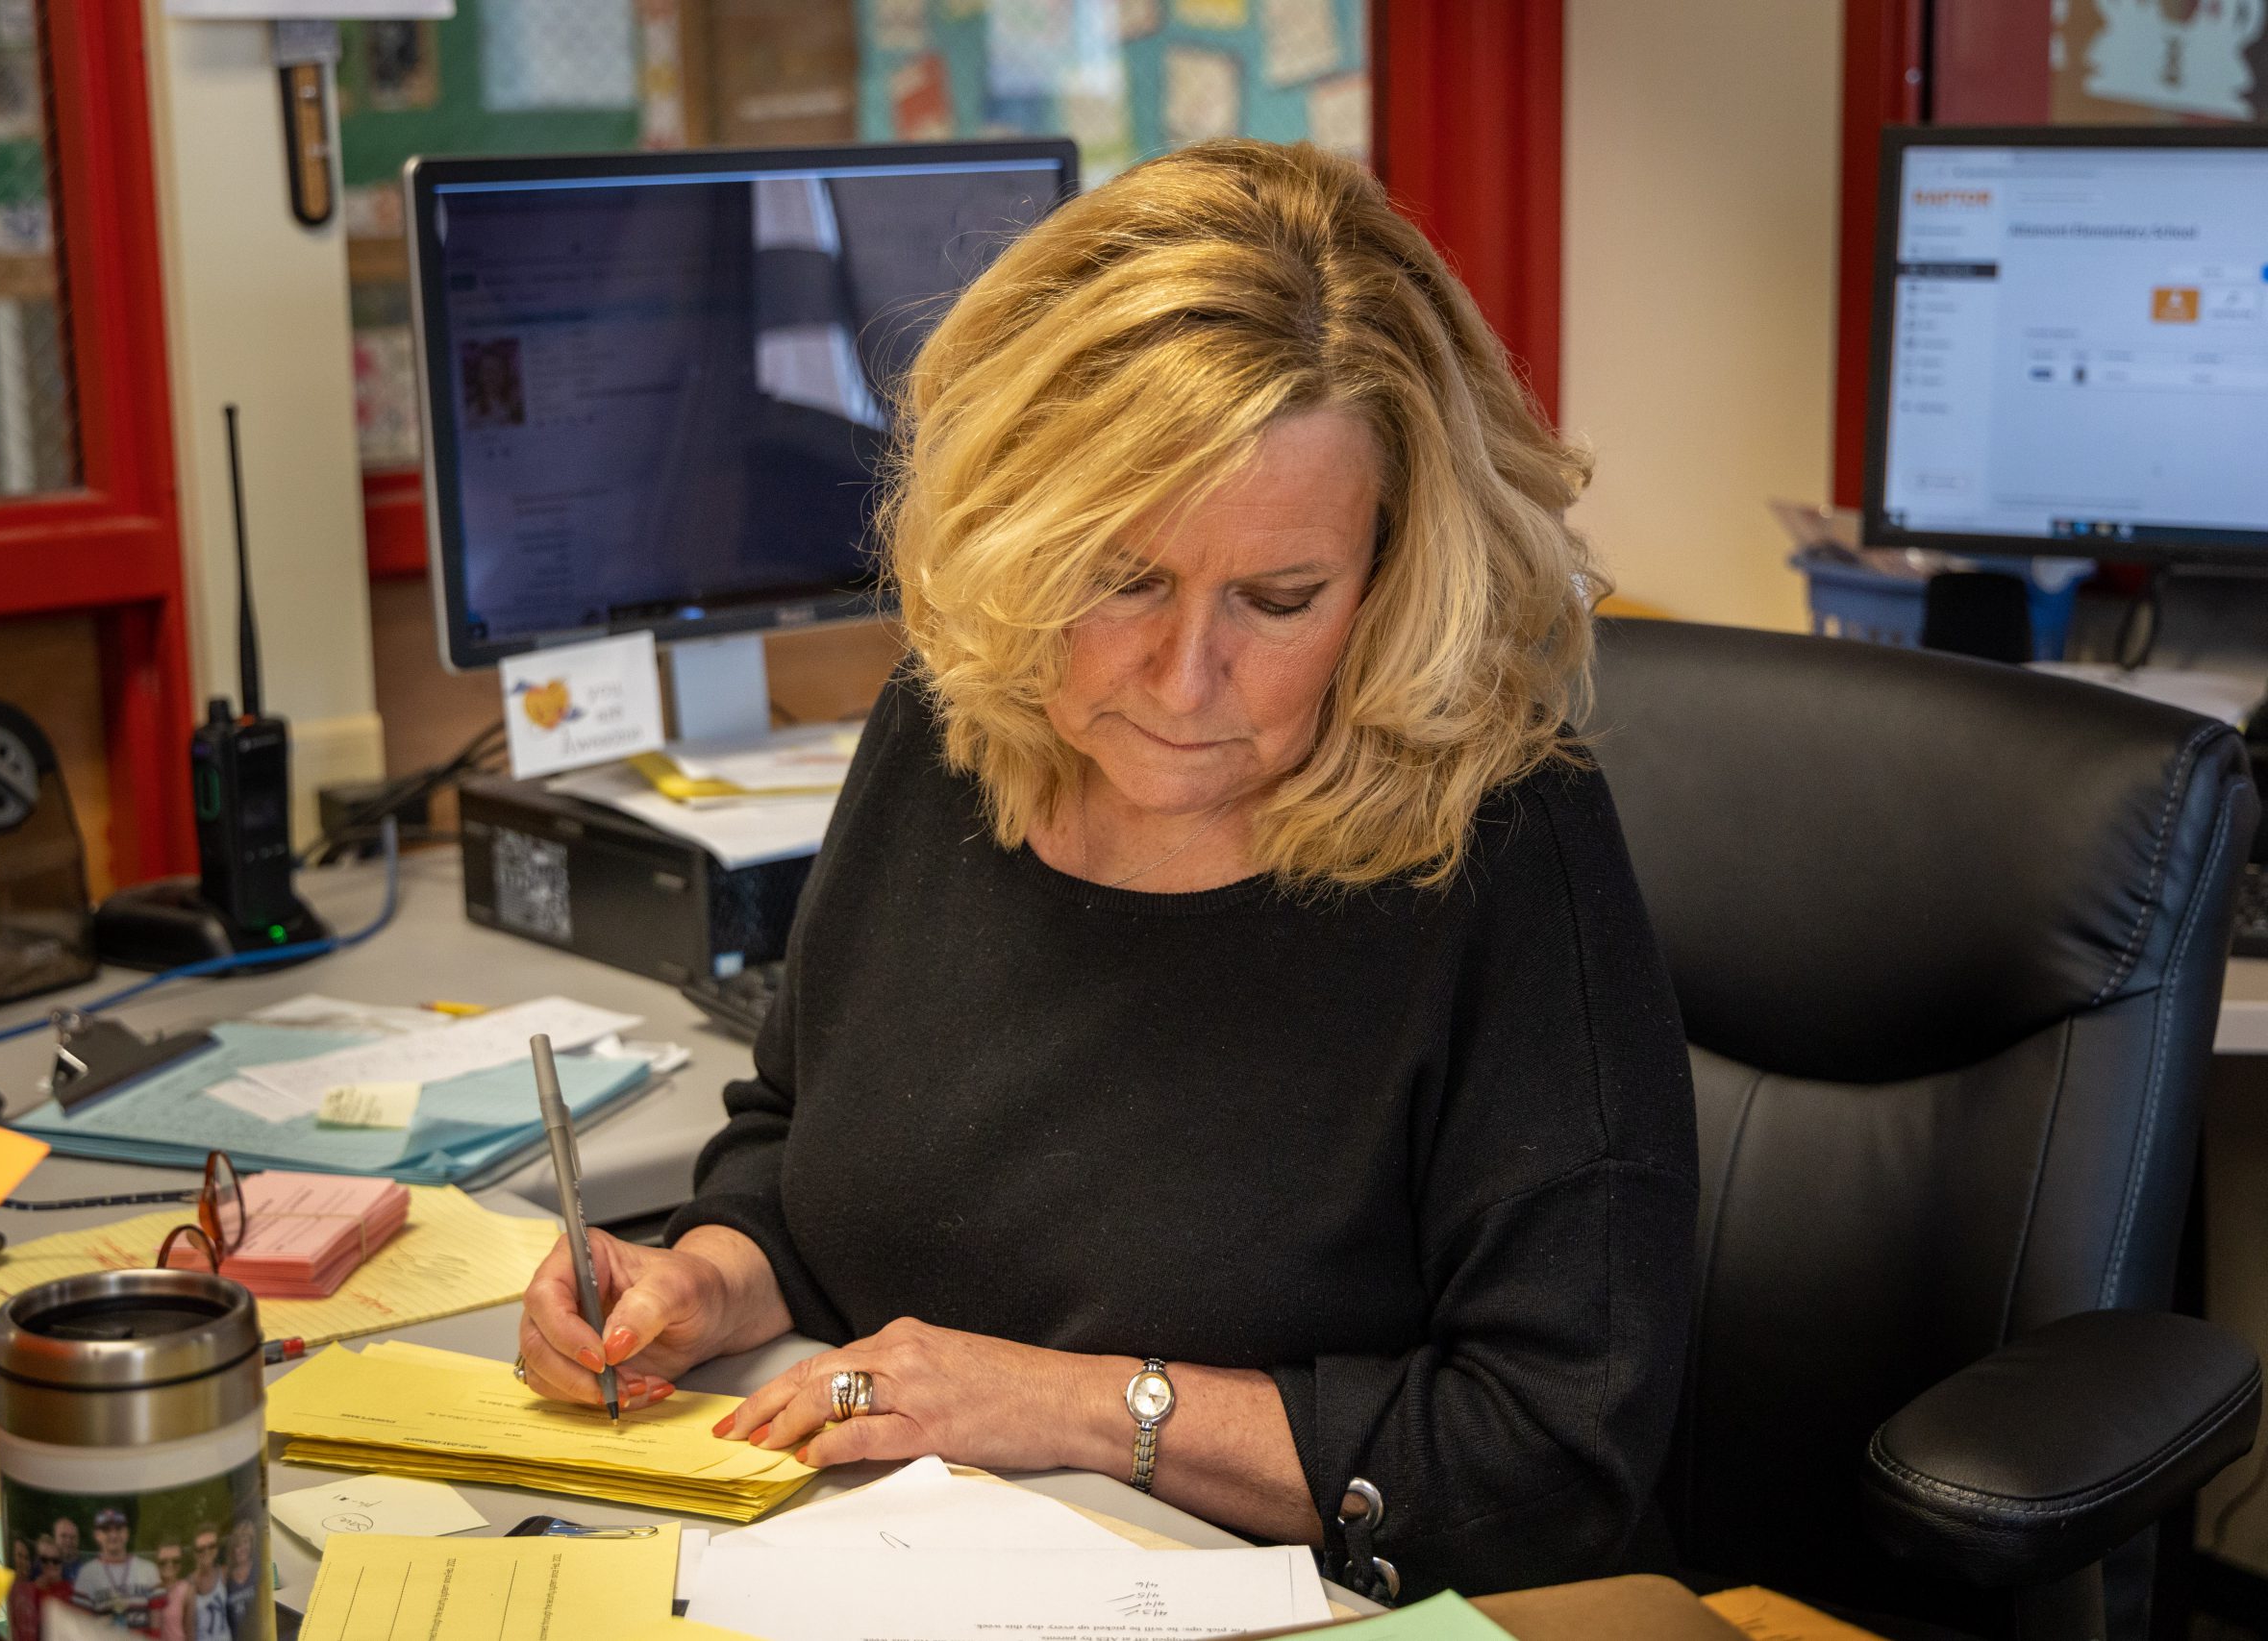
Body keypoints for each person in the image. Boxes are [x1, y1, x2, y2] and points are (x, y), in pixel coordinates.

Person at [517, 137, 1698, 1604]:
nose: (1184, 674)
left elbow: (1551, 1456)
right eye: (1120, 576)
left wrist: (1076, 1404)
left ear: (1395, 576)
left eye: (1279, 598)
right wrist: (704, 1278)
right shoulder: (953, 728)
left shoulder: (1503, 844)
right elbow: (794, 1138)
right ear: (1017, 535)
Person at [70, 1506, 162, 1631]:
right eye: (106, 1530)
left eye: (119, 1529)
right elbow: (81, 1625)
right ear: (97, 1535)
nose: (113, 1535)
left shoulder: (149, 1569)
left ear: (127, 1533)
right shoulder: (87, 1574)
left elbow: (156, 1622)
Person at [185, 1523, 233, 1641]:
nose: (206, 1552)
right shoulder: (188, 1585)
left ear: (217, 1548)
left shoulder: (225, 1574)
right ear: (194, 1553)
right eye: (201, 1549)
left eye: (211, 1546)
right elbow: (189, 1630)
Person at [222, 1519, 258, 1638]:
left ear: (251, 1544)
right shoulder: (227, 1576)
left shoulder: (258, 1569)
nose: (241, 1548)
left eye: (245, 1542)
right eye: (237, 1545)